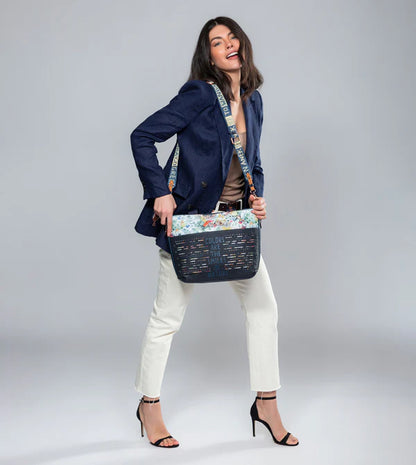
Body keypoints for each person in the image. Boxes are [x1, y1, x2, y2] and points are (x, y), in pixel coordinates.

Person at [129, 16, 299, 448]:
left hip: (236, 224)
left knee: (264, 310)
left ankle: (266, 403)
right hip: (191, 224)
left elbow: (252, 162)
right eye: (217, 42)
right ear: (209, 56)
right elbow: (142, 136)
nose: (229, 44)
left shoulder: (254, 101)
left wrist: (258, 197)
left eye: (232, 37)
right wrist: (159, 193)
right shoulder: (200, 95)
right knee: (167, 318)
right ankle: (149, 405)